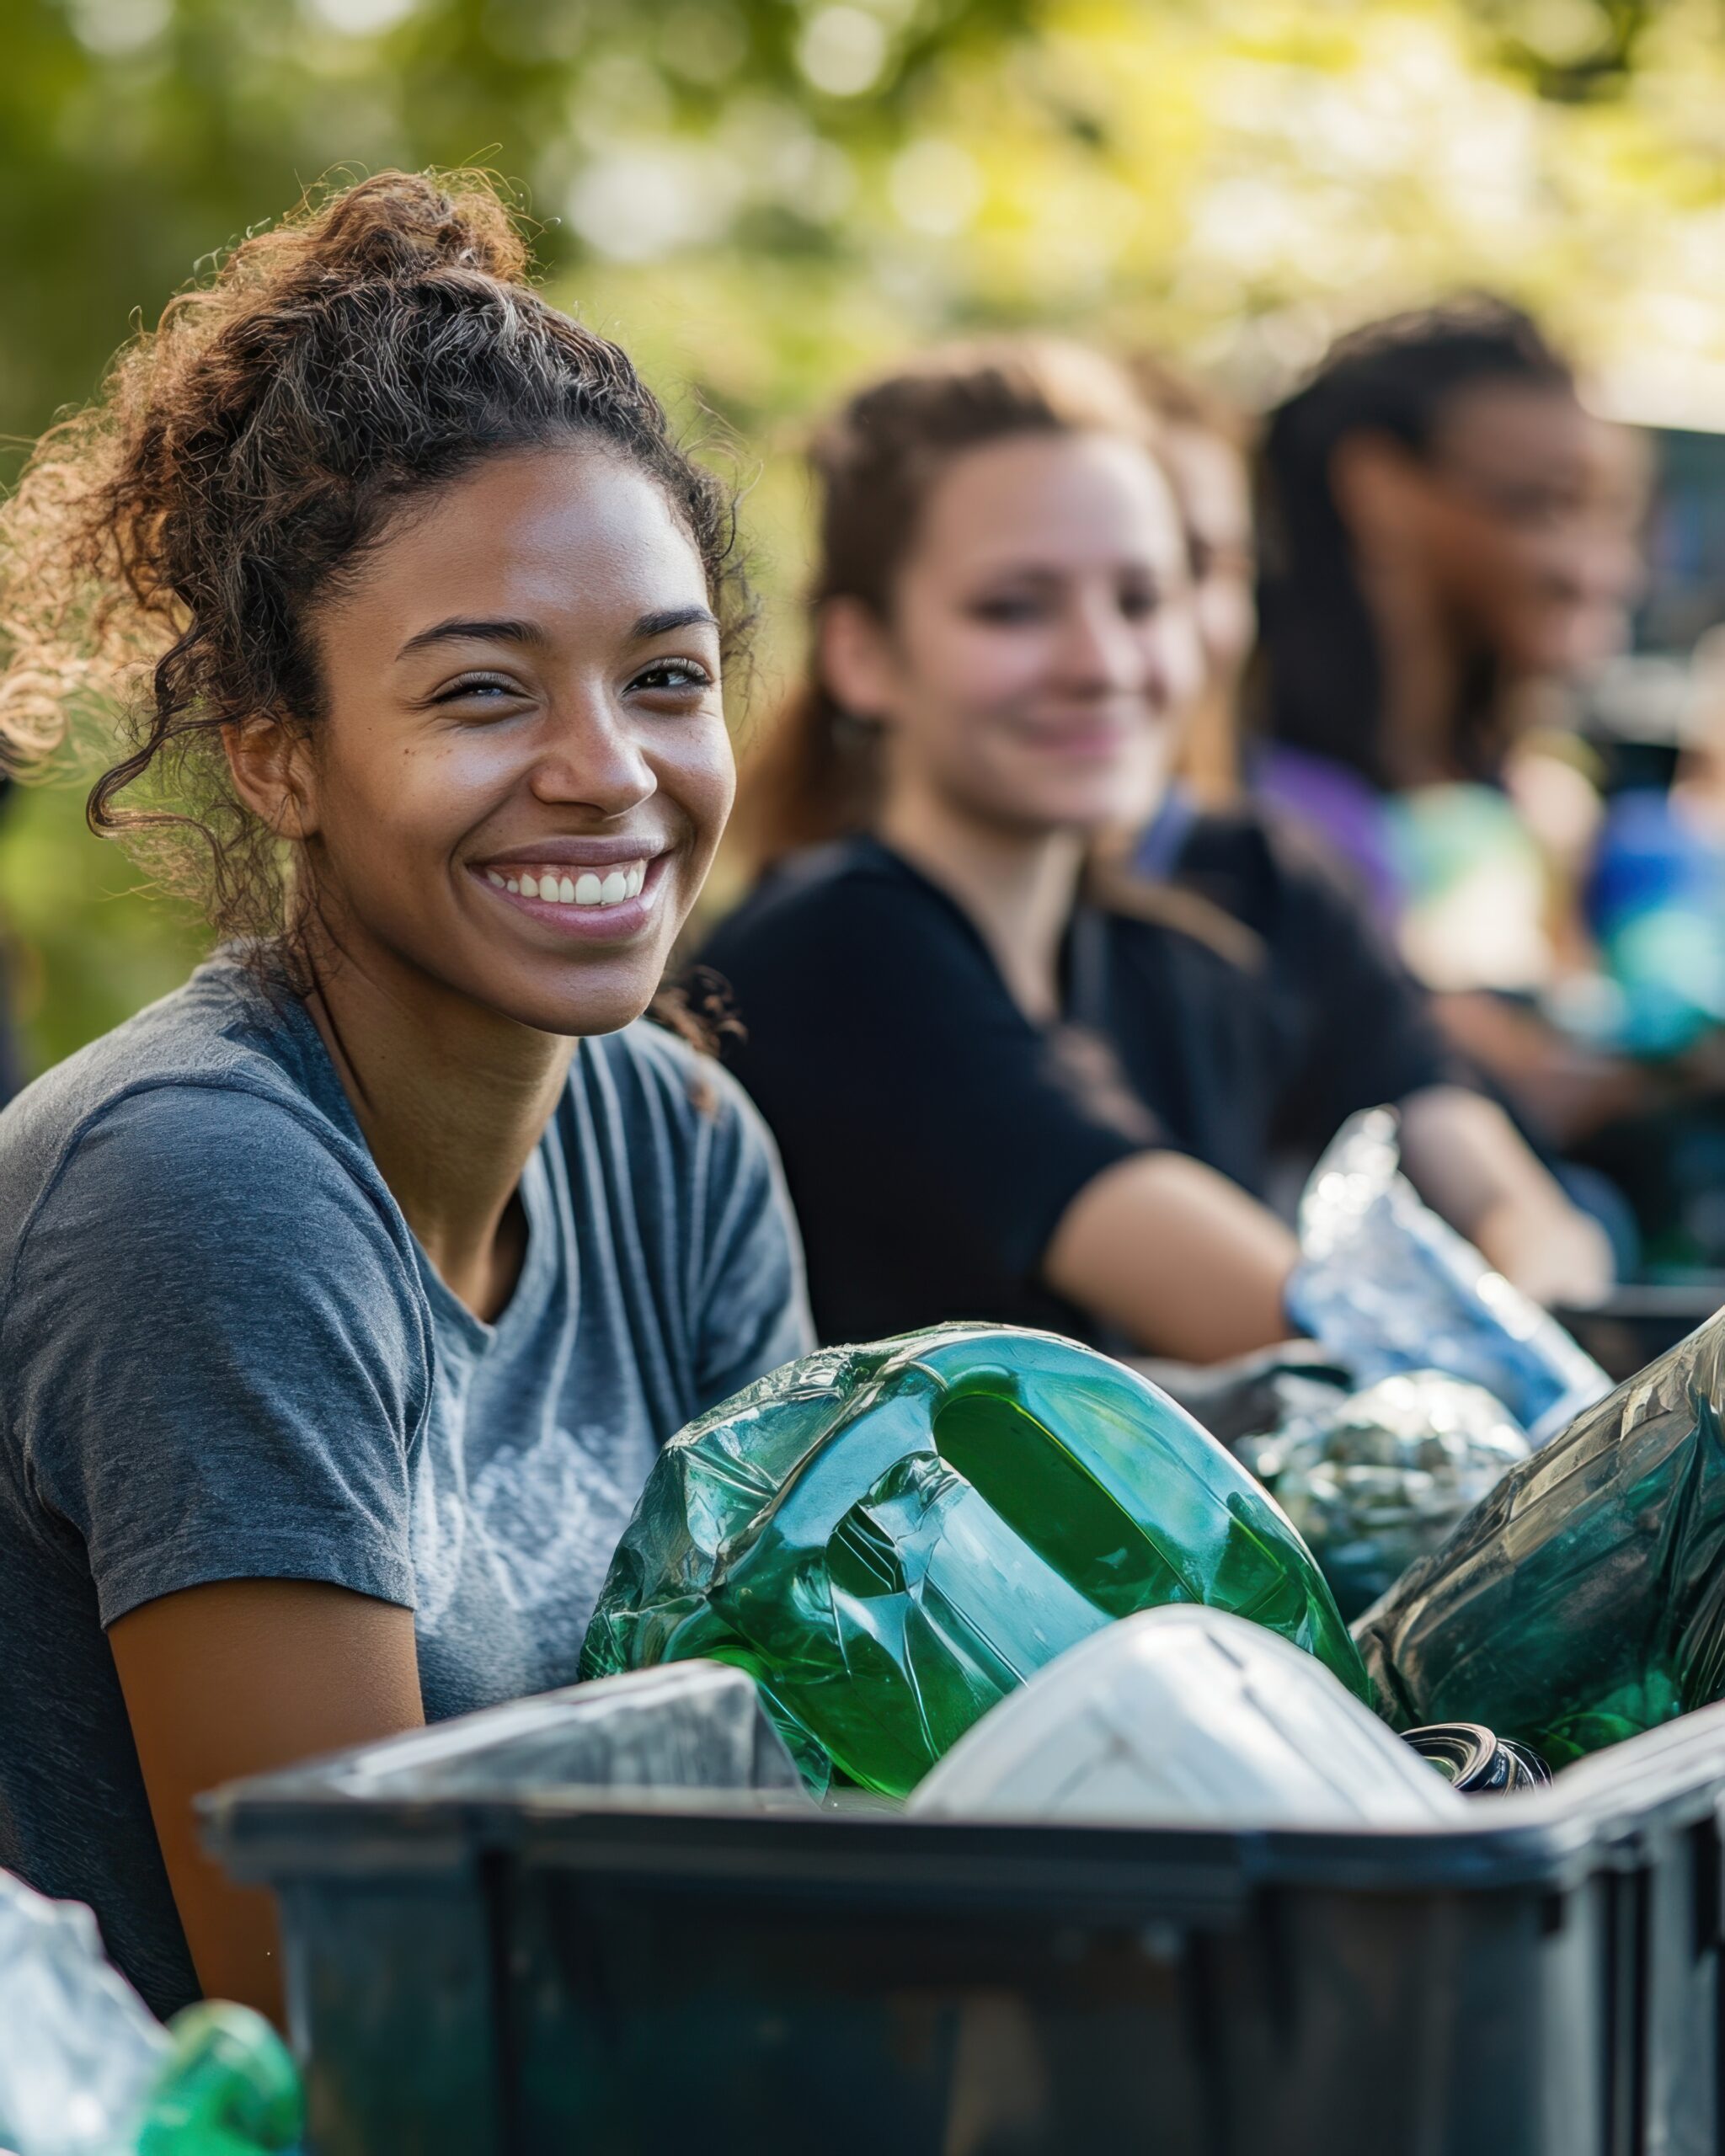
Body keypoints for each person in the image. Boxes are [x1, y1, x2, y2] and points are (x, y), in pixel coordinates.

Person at [0, 171, 810, 2025]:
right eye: (481, 694)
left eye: (666, 677)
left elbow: (798, 1768)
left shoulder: (677, 1152)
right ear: (280, 755)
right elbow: (350, 2019)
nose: (608, 772)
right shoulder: (201, 1189)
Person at [703, 339, 1610, 1359]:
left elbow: (1510, 1199)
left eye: (1139, 599)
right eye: (1013, 607)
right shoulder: (837, 954)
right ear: (862, 655)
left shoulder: (1244, 885)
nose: (1100, 663)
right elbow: (1289, 1325)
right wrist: (1528, 1344)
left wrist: (1541, 1290)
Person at [1252, 297, 1653, 1151]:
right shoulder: (1268, 805)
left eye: (1614, 516)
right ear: (1379, 490)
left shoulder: (1538, 795)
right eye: (1541, 505)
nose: (1601, 566)